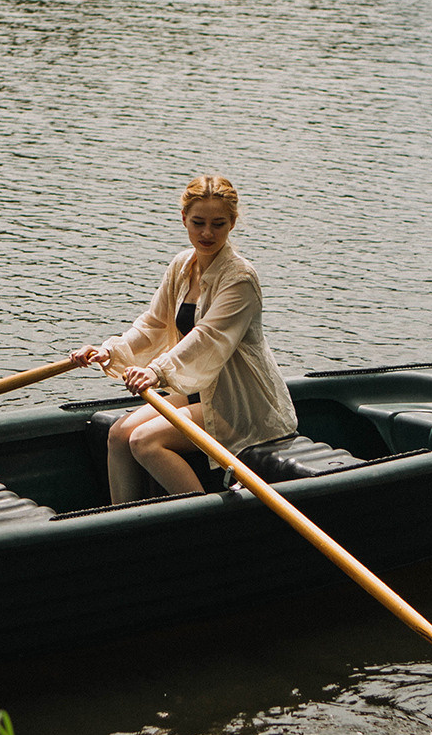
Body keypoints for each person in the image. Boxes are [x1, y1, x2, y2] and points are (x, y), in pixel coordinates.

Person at [69, 173, 297, 502]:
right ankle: (124, 525)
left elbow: (208, 338)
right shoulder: (181, 265)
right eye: (198, 222)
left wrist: (156, 371)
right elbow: (152, 324)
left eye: (218, 224)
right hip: (200, 391)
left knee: (144, 440)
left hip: (241, 402)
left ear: (232, 223)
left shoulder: (241, 279)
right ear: (184, 219)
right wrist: (108, 350)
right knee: (119, 435)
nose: (207, 233)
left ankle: (197, 526)